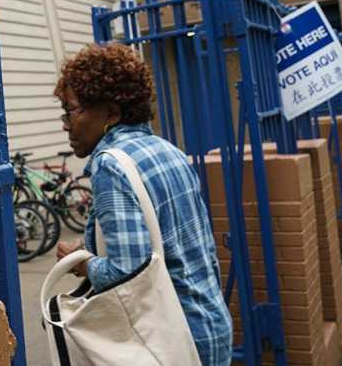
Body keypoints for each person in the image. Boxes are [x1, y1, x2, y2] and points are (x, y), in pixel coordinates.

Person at [53, 43, 232, 366]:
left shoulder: (111, 166)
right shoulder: (166, 150)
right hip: (209, 323)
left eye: (71, 111)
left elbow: (126, 271)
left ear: (110, 113)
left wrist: (83, 264)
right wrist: (92, 243)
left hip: (167, 341)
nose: (66, 124)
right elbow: (164, 238)